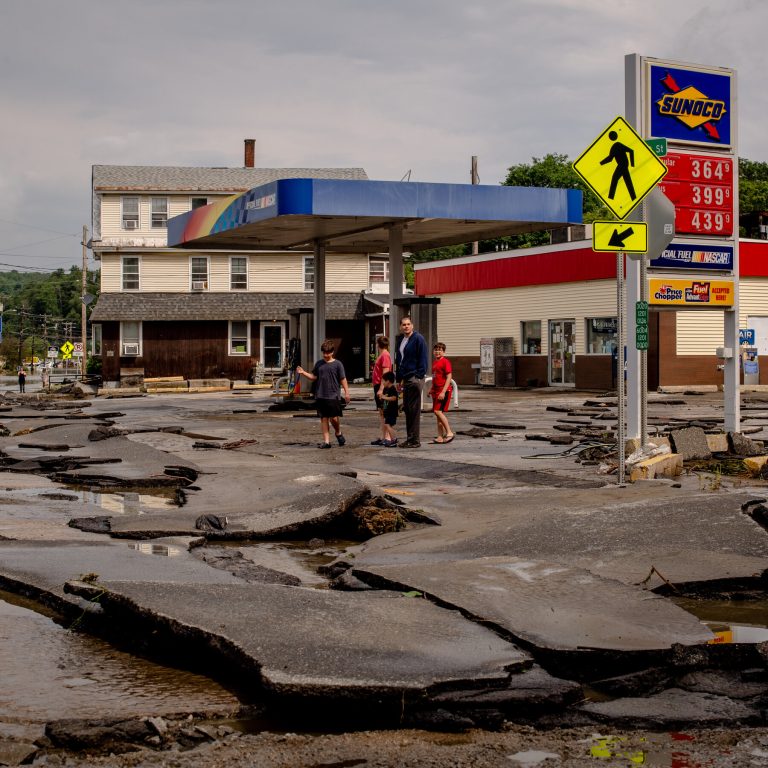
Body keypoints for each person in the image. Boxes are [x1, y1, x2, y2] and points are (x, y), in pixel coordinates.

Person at [296, 339, 350, 449]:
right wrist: (303, 372)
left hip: (333, 395)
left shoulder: (338, 364)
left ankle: (338, 432)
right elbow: (314, 377)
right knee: (324, 418)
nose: (325, 355)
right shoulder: (319, 364)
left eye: (327, 353)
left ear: (332, 352)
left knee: (334, 418)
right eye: (324, 353)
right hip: (320, 395)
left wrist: (347, 393)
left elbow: (343, 379)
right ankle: (326, 442)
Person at [394, 315, 428, 449]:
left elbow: (423, 358)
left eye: (408, 324)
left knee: (414, 410)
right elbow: (399, 360)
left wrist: (419, 376)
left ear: (412, 325)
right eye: (404, 324)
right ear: (400, 327)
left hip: (415, 377)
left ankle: (414, 440)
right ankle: (410, 439)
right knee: (408, 409)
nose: (406, 326)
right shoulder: (401, 340)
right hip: (405, 377)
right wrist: (399, 379)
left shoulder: (418, 338)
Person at [429, 342, 455, 444]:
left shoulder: (445, 362)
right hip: (436, 391)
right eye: (436, 350)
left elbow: (449, 377)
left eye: (440, 350)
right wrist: (431, 389)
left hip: (443, 391)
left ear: (444, 352)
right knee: (438, 415)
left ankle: (449, 432)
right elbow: (435, 377)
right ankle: (440, 436)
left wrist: (443, 392)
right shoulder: (435, 363)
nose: (437, 352)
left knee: (437, 411)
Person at [370, 336, 392, 445]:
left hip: (382, 386)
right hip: (378, 385)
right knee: (382, 412)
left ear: (378, 344)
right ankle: (383, 436)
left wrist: (381, 389)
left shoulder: (385, 355)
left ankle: (388, 437)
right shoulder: (382, 355)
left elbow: (385, 373)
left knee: (385, 412)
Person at [378, 371, 399, 447]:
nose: (383, 383)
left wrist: (384, 397)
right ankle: (393, 439)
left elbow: (394, 398)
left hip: (392, 411)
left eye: (383, 381)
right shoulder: (387, 389)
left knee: (388, 425)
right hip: (388, 411)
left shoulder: (392, 389)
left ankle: (394, 439)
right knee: (388, 425)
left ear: (388, 381)